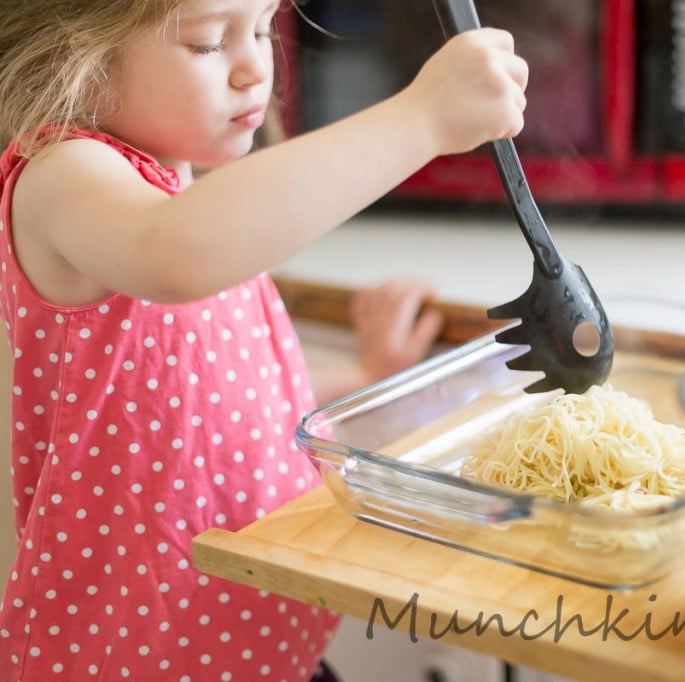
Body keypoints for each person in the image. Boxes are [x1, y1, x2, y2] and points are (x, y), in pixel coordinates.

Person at [0, 0, 527, 680]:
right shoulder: (63, 176)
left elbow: (221, 387)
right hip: (130, 663)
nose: (256, 69)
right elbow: (176, 250)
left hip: (263, 650)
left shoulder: (186, 192)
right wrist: (421, 116)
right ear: (74, 59)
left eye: (260, 28)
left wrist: (363, 371)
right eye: (208, 41)